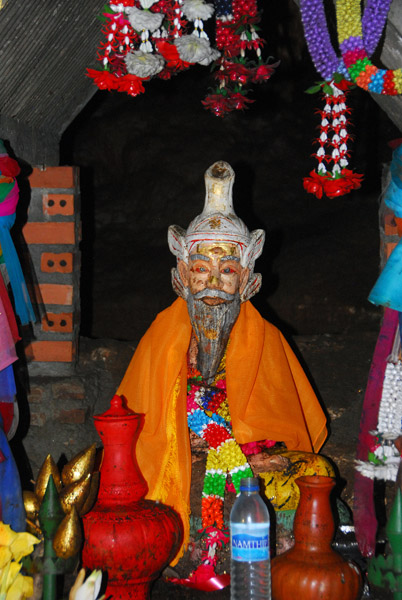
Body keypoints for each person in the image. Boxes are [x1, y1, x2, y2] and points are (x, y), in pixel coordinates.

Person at [117, 161, 330, 585]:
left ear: (249, 281)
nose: (213, 284)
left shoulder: (264, 337)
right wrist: (187, 438)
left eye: (227, 271)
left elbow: (282, 420)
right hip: (184, 460)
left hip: (249, 456)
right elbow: (140, 425)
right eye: (200, 270)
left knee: (315, 471)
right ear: (180, 278)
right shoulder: (162, 336)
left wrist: (247, 448)